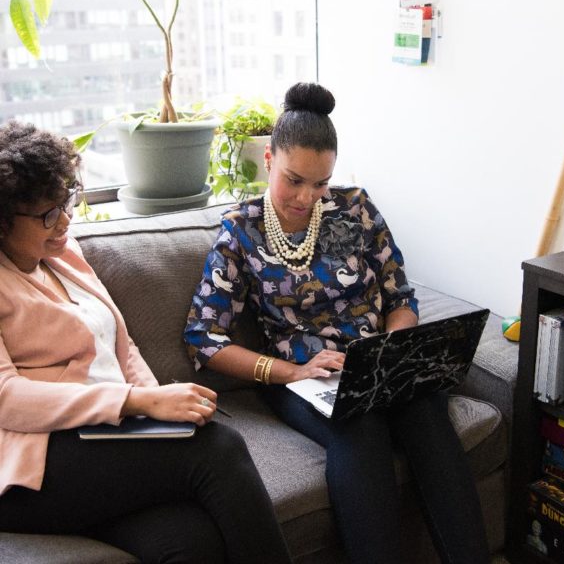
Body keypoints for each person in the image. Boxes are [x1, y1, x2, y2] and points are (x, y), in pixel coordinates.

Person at [185, 82, 491, 564]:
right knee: (359, 423)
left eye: (320, 182)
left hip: (377, 362)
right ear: (268, 160)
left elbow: (400, 295)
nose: (307, 197)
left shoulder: (356, 209)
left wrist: (394, 348)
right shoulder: (239, 232)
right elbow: (204, 340)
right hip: (305, 377)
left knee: (426, 411)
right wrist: (291, 372)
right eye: (294, 179)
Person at [0, 120, 291, 564]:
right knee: (218, 448)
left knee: (189, 543)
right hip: (35, 463)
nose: (65, 219)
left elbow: (123, 344)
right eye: (47, 214)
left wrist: (159, 407)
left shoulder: (64, 255)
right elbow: (8, 399)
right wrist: (136, 403)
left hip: (103, 441)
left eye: (66, 201)